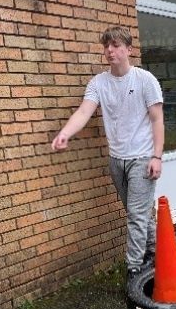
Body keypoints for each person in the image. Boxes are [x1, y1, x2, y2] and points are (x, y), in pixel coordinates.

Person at [51, 26, 165, 283]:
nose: (110, 51)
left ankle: (134, 269)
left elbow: (157, 119)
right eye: (106, 46)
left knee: (136, 216)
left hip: (142, 158)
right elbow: (84, 112)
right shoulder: (99, 83)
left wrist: (157, 157)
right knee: (138, 213)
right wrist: (65, 133)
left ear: (129, 49)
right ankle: (155, 252)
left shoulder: (145, 80)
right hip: (116, 160)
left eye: (115, 45)